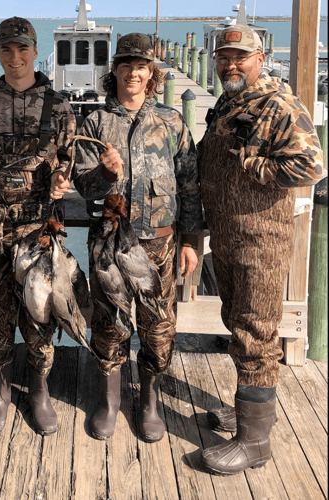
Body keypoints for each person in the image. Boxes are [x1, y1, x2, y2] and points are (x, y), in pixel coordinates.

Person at [197, 24, 324, 475]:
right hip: (228, 236)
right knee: (238, 323)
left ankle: (254, 443)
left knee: (257, 335)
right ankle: (246, 411)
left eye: (240, 56)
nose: (231, 64)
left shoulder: (279, 103)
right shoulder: (230, 102)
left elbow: (311, 165)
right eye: (224, 57)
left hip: (260, 242)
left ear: (261, 57)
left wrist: (254, 164)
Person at [73, 33, 202, 442]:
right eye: (125, 65)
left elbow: (191, 185)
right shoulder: (95, 122)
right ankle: (109, 401)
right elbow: (83, 185)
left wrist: (190, 241)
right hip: (110, 246)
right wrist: (106, 175)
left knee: (159, 328)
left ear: (152, 74)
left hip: (160, 246)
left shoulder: (172, 121)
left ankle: (148, 403)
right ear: (114, 71)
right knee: (109, 324)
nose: (133, 72)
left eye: (141, 66)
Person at [0, 17, 75, 436]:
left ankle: (39, 392)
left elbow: (69, 163)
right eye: (7, 49)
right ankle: (0, 393)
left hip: (38, 234)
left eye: (23, 49)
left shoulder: (57, 105)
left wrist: (62, 181)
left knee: (40, 317)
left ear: (35, 51)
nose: (15, 57)